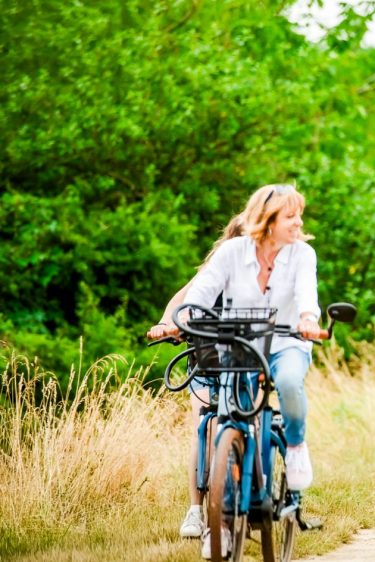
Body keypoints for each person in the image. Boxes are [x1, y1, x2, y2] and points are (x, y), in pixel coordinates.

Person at [180, 183, 323, 559]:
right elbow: (201, 291)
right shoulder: (231, 252)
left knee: (290, 382)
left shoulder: (302, 255)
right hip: (238, 345)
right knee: (227, 421)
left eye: (298, 214)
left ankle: (294, 446)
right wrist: (185, 318)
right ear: (267, 221)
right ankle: (222, 527)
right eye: (290, 216)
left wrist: (309, 318)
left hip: (286, 342)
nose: (299, 222)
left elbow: (308, 295)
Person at [147, 213, 244, 540]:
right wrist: (165, 322)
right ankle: (195, 509)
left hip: (241, 360)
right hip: (204, 357)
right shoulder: (214, 268)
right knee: (203, 426)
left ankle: (236, 501)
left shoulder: (261, 272)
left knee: (236, 425)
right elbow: (183, 298)